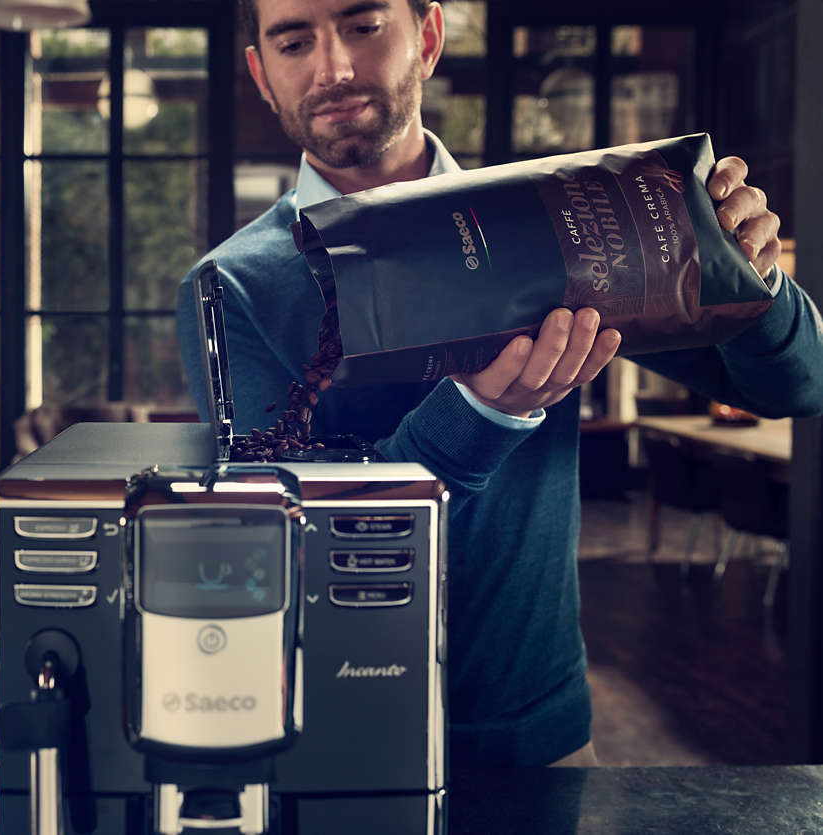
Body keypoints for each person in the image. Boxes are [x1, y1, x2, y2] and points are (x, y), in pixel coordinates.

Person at [176, 0, 823, 767]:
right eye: (294, 41)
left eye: (363, 25)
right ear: (261, 74)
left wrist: (756, 275)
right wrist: (480, 411)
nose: (334, 68)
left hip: (540, 742)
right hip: (324, 741)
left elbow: (798, 385)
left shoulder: (557, 219)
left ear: (428, 36)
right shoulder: (229, 287)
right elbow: (281, 547)